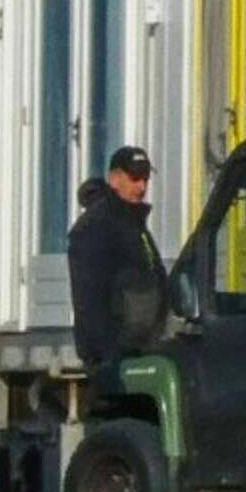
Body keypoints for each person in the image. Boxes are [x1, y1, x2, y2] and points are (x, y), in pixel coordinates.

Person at [66, 145, 165, 376]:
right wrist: (107, 356)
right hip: (114, 359)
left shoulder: (134, 223)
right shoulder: (96, 226)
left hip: (141, 351)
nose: (142, 187)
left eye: (146, 178)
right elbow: (88, 299)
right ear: (114, 179)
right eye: (135, 178)